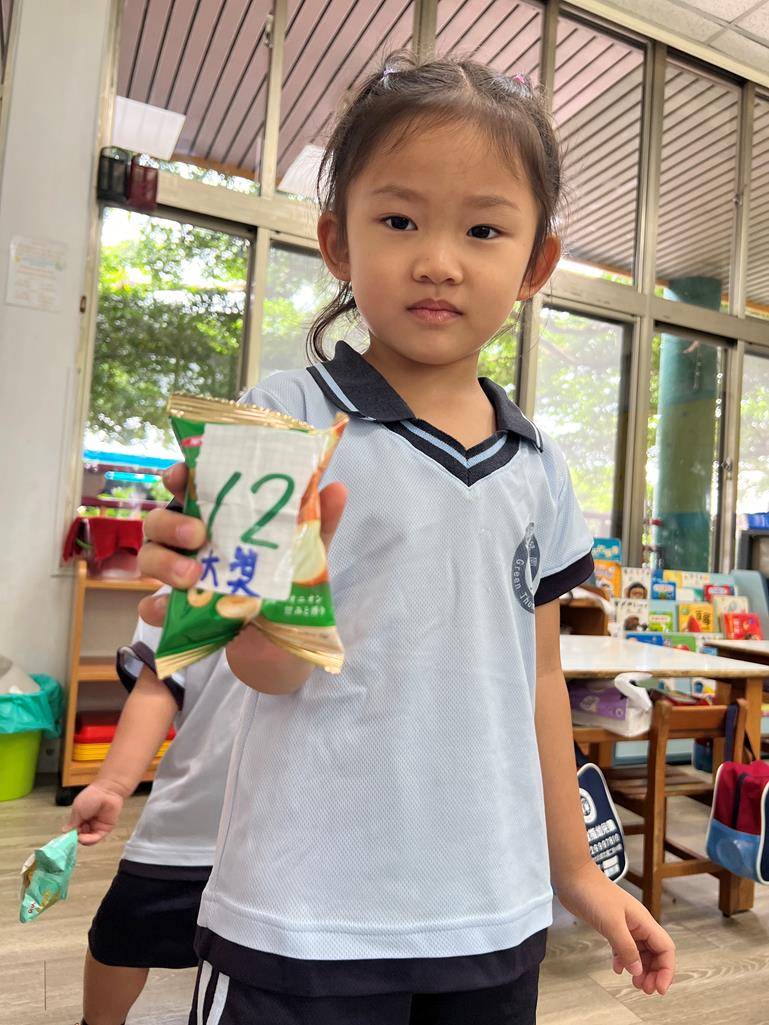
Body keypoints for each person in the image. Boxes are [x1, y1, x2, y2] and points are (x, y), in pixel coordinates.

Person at [139, 52, 676, 1025]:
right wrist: (247, 606)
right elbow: (265, 671)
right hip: (304, 916)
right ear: (336, 242)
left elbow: (539, 681)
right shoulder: (283, 419)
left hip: (492, 912)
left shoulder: (539, 466)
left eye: (482, 229)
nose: (438, 260)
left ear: (536, 265)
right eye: (398, 220)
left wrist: (577, 873)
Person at [66, 613, 247, 1025]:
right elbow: (156, 687)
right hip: (193, 816)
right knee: (121, 931)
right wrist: (112, 784)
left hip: (302, 827)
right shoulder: (189, 589)